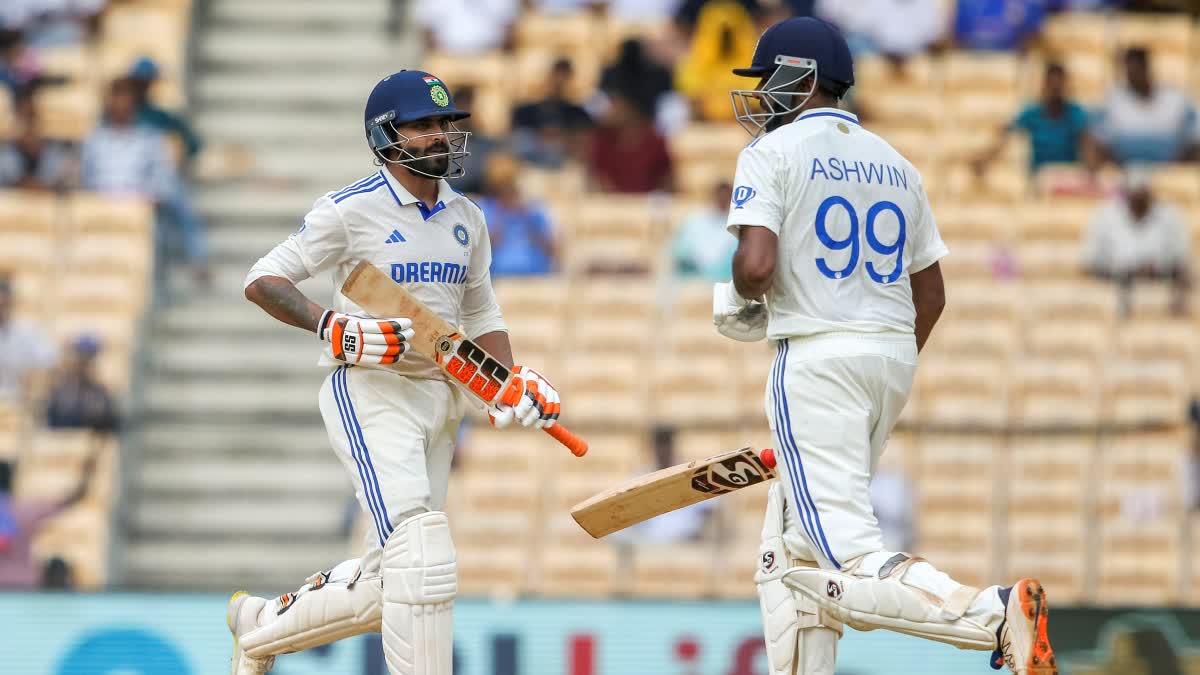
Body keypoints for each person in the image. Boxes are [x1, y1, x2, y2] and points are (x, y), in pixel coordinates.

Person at [717, 17, 1055, 674]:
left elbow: (756, 266)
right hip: (889, 360)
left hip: (816, 362)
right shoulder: (897, 163)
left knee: (849, 556)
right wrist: (883, 363)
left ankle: (994, 610)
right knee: (791, 552)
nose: (761, 96)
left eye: (769, 81)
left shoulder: (771, 153)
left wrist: (736, 293)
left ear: (805, 79)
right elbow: (931, 296)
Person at [228, 70, 568, 675]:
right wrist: (333, 325)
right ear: (387, 135)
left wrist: (506, 384)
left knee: (397, 575)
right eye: (425, 125)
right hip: (371, 391)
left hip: (440, 397)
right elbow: (262, 279)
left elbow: (481, 311)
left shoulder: (468, 218)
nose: (441, 135)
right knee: (422, 555)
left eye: (446, 124)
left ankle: (259, 629)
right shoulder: (348, 210)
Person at [81, 78, 209, 284]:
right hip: (101, 211)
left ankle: (162, 288)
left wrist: (147, 198)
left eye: (125, 99)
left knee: (159, 231)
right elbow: (86, 181)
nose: (121, 105)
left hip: (138, 209)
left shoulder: (149, 139)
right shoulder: (94, 140)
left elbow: (162, 180)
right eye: (116, 98)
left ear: (132, 104)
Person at [1084, 167, 1191, 315]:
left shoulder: (1170, 216)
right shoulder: (1105, 216)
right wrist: (1125, 271)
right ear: (1126, 195)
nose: (1139, 202)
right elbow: (1091, 263)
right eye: (1135, 196)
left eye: (1143, 196)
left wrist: (1158, 267)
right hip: (1115, 287)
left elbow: (1182, 261)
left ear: (1150, 194)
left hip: (1160, 285)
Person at [0, 452, 98, 589]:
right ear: (10, 480)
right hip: (23, 586)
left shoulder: (23, 509)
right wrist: (90, 468)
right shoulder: (23, 510)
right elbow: (73, 498)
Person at [973, 62, 1091, 175]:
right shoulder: (1032, 113)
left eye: (1058, 87)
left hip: (1067, 176)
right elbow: (1006, 136)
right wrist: (985, 160)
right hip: (1039, 176)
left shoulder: (1076, 113)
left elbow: (1087, 142)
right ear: (1044, 85)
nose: (1055, 91)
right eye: (1051, 85)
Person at [1090, 47, 1199, 166]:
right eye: (1129, 71)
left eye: (1136, 70)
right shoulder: (1112, 102)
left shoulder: (1176, 100)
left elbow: (1194, 139)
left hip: (1171, 174)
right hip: (1124, 173)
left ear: (1146, 68)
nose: (1132, 75)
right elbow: (1098, 141)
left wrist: (1177, 169)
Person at [674, 1, 759, 121]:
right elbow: (693, 98)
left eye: (729, 32)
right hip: (706, 125)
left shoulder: (753, 63)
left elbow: (755, 101)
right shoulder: (693, 63)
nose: (725, 38)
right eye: (721, 32)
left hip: (743, 124)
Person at [478, 154, 557, 277]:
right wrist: (501, 214)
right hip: (497, 279)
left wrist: (528, 218)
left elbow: (552, 248)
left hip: (536, 277)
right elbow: (478, 251)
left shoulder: (534, 209)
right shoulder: (483, 209)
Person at [510, 58, 592, 168]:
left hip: (566, 170)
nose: (559, 82)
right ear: (548, 77)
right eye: (556, 76)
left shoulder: (579, 113)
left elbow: (583, 147)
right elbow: (518, 144)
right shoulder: (525, 111)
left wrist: (562, 139)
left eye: (564, 77)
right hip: (532, 168)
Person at [587, 93, 674, 193]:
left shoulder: (656, 141)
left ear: (630, 107)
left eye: (615, 103)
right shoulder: (602, 141)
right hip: (613, 204)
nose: (610, 109)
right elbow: (598, 180)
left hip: (650, 204)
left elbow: (666, 179)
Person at [126, 57, 204, 164]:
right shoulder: (118, 117)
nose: (141, 88)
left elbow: (193, 145)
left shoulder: (160, 118)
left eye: (145, 83)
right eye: (138, 83)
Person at [0, 88, 74, 190]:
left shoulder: (59, 152)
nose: (27, 125)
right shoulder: (5, 154)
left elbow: (62, 187)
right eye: (22, 117)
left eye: (31, 116)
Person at [0, 273, 56, 402]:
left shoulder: (28, 331)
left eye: (4, 304)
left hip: (20, 401)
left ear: (11, 304)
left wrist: (33, 378)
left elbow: (48, 362)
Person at [45, 334, 119, 432]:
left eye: (87, 360)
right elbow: (52, 423)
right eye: (79, 358)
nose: (82, 365)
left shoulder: (100, 393)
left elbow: (109, 423)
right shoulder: (59, 393)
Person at [671, 180, 737, 281]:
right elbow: (680, 253)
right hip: (691, 278)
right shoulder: (694, 220)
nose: (722, 200)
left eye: (726, 197)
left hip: (723, 280)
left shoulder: (736, 226)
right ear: (714, 197)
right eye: (720, 196)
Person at [446, 86, 498, 195]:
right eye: (466, 105)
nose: (471, 110)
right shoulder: (443, 141)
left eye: (472, 105)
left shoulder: (485, 143)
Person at [952, 0, 1047, 51]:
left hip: (1013, 62)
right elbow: (958, 36)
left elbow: (1035, 36)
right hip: (971, 61)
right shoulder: (966, 3)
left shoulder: (1028, 3)